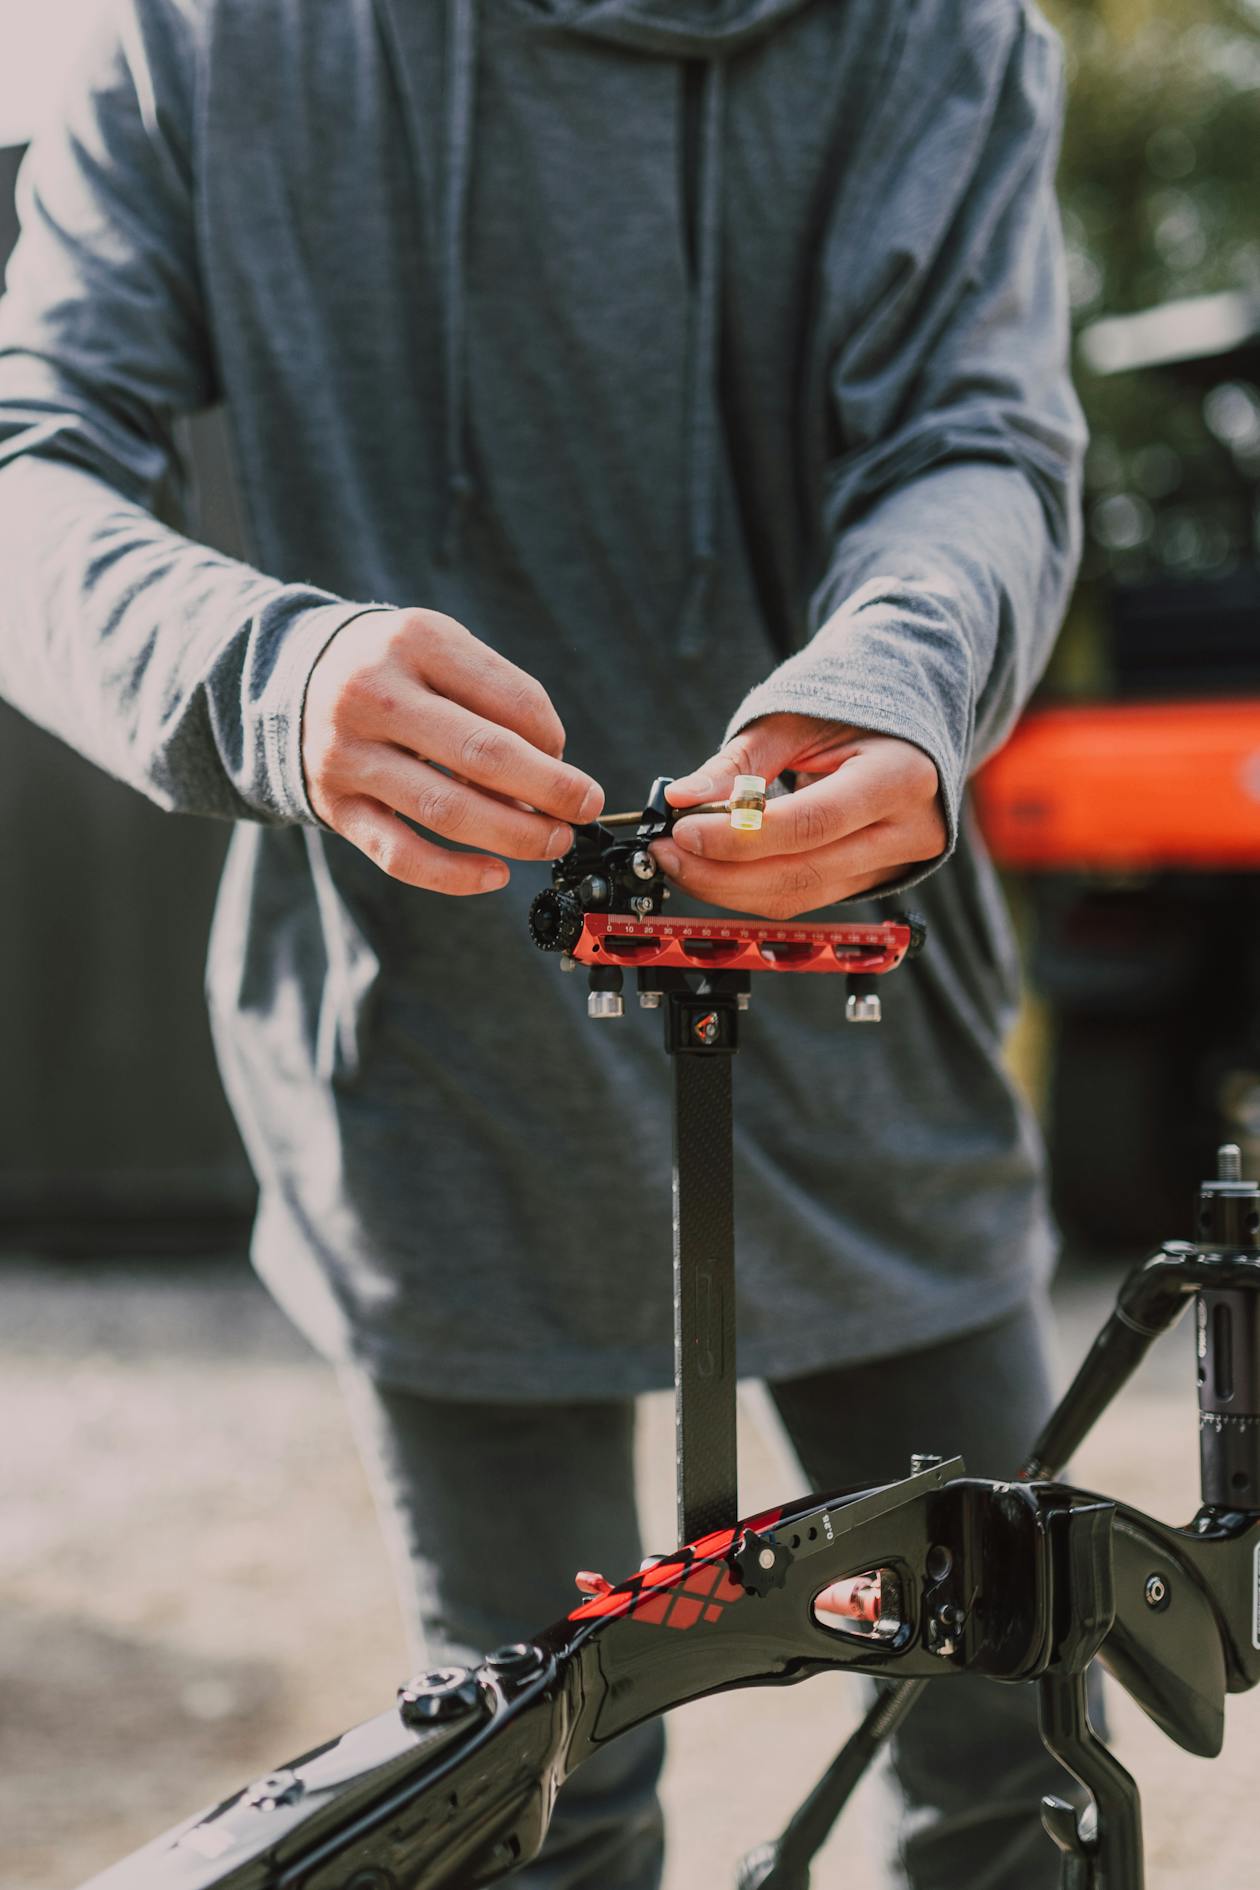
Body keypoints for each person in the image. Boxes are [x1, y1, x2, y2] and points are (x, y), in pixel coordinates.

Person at [0, 1, 1086, 1884]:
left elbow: (980, 439)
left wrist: (904, 676)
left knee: (1012, 1759)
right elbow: (31, 460)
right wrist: (272, 672)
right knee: (539, 1804)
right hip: (427, 1069)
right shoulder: (196, 40)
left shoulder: (943, 34)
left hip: (871, 1052)